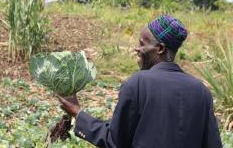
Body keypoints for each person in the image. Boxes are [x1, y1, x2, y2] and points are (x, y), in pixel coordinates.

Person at [58, 14, 223, 148]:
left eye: (141, 44)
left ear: (159, 48)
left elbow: (115, 141)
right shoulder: (201, 91)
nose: (137, 49)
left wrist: (77, 114)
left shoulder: (137, 84)